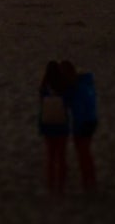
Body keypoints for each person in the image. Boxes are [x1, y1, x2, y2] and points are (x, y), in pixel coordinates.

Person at [60, 60, 97, 192]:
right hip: (91, 120)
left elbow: (69, 103)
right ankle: (89, 179)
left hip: (82, 123)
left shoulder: (76, 88)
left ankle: (88, 181)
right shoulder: (85, 83)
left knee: (83, 153)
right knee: (85, 152)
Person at [39, 60, 69, 195]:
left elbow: (41, 105)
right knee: (61, 156)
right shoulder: (63, 87)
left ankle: (51, 184)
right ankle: (61, 186)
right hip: (61, 124)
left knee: (50, 156)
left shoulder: (44, 88)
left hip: (49, 124)